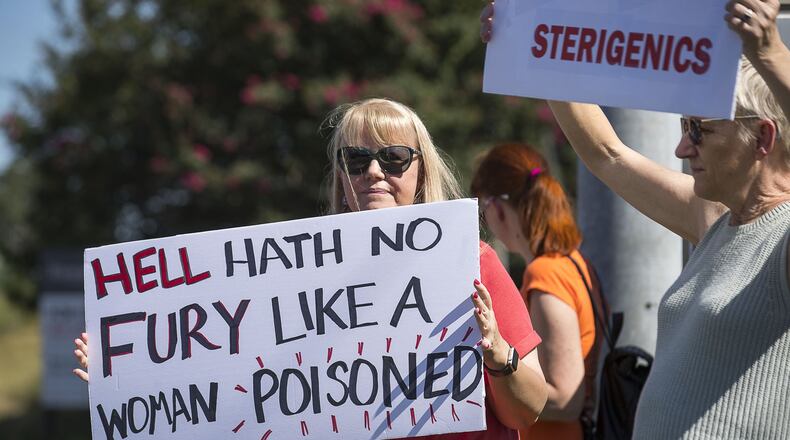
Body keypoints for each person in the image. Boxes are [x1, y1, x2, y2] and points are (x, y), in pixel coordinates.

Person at [75, 97, 549, 438]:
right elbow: (231, 395)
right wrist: (126, 378)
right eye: (358, 160)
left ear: (421, 170)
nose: (375, 173)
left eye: (394, 158)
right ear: (342, 176)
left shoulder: (471, 262)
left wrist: (497, 354)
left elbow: (528, 410)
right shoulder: (295, 279)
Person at [481, 0, 790, 438]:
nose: (682, 149)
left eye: (699, 130)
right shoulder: (716, 220)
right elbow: (608, 155)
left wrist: (769, 51)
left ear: (763, 137)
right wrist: (536, 46)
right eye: (683, 127)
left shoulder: (782, 241)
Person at [471, 143, 602, 440]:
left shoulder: (545, 275)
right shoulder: (573, 263)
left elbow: (566, 398)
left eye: (483, 210)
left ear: (499, 209)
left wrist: (492, 386)